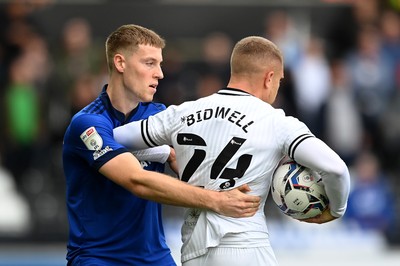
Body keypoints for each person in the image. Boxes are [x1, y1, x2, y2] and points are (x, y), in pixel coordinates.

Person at [114, 36, 351, 266]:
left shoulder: (182, 113)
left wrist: (163, 153)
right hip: (246, 245)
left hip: (193, 251)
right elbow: (336, 169)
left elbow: (114, 140)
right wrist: (335, 211)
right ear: (269, 78)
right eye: (279, 81)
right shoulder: (276, 122)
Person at [62, 24, 261, 266]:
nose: (160, 74)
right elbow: (137, 180)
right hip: (99, 258)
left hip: (154, 257)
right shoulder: (87, 124)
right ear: (120, 63)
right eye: (149, 63)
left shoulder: (160, 117)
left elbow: (198, 170)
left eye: (160, 64)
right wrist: (217, 201)